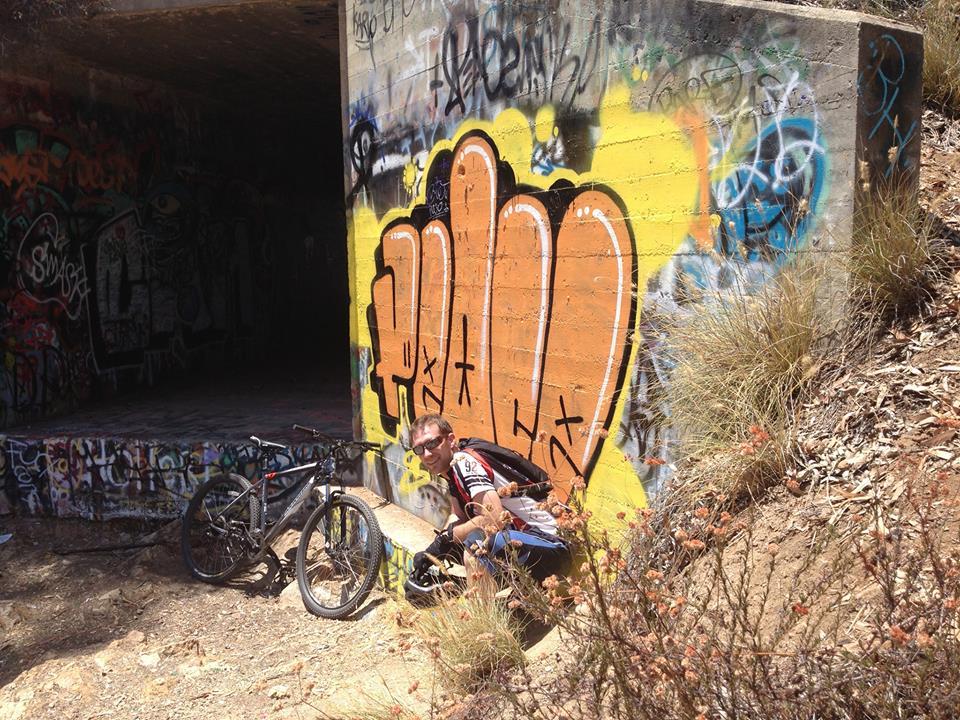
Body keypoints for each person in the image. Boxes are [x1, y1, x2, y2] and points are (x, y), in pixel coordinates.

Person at [408, 413, 571, 597]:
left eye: (432, 443)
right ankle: (471, 593)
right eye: (419, 449)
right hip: (530, 544)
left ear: (451, 440)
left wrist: (447, 539)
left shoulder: (464, 462)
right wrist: (432, 552)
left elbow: (492, 520)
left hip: (554, 549)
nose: (427, 454)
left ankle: (482, 617)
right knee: (455, 542)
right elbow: (459, 518)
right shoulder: (452, 470)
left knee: (475, 542)